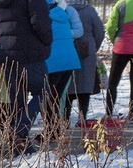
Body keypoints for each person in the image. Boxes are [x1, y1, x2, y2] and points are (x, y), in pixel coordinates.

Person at [0, 0, 52, 154]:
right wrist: (47, 41)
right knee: (44, 92)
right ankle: (20, 129)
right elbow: (40, 22)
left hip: (7, 53)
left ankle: (20, 147)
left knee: (17, 100)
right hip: (30, 53)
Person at [104, 0, 133, 118]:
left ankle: (109, 112)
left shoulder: (122, 3)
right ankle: (132, 112)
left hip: (122, 46)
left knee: (113, 81)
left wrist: (115, 39)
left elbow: (110, 26)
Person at [42, 0, 81, 136]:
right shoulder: (63, 13)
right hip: (69, 60)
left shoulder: (42, 15)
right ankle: (54, 131)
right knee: (56, 97)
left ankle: (51, 132)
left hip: (53, 61)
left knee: (47, 98)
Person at [67, 0, 102, 124]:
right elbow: (99, 32)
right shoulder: (90, 11)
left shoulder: (63, 10)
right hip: (87, 51)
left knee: (68, 86)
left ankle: (65, 120)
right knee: (85, 87)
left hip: (68, 48)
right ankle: (82, 119)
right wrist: (93, 47)